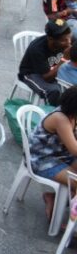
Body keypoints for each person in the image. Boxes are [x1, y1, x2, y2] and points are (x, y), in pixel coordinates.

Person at [28, 87, 77, 220]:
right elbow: (74, 149)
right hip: (41, 160)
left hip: (59, 154)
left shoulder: (72, 115)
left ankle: (54, 198)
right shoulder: (61, 119)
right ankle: (71, 225)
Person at [18, 20, 72, 105]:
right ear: (51, 39)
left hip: (52, 69)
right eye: (64, 40)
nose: (68, 42)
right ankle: (51, 115)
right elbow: (46, 78)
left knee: (71, 86)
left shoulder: (67, 41)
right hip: (32, 74)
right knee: (55, 91)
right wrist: (64, 59)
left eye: (69, 37)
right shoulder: (37, 49)